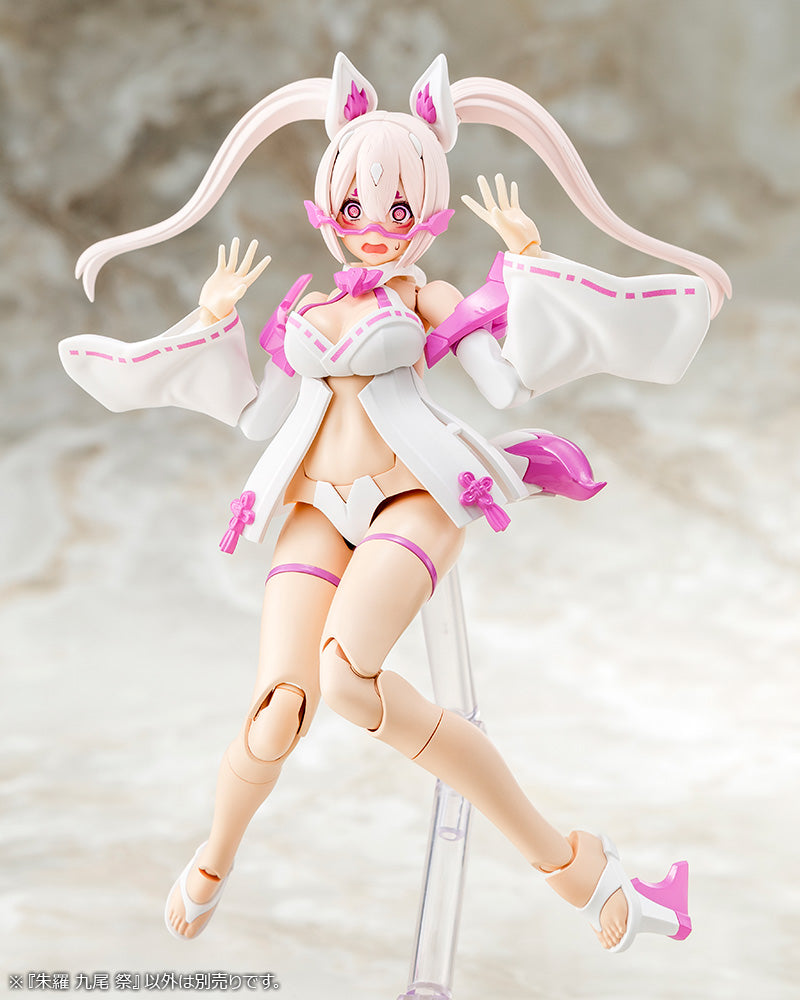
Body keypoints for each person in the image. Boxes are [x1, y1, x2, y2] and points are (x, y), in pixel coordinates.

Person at [60, 53, 730, 953]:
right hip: (313, 506)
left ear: (431, 214)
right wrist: (214, 320)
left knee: (348, 678)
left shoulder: (433, 297)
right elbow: (259, 417)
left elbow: (505, 387)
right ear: (327, 208)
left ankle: (576, 869)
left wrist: (527, 265)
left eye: (400, 211)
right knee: (277, 710)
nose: (375, 229)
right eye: (355, 208)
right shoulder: (303, 307)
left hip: (412, 495)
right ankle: (215, 858)